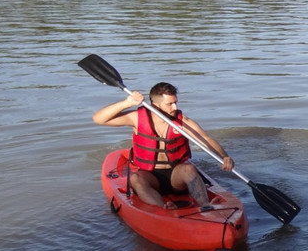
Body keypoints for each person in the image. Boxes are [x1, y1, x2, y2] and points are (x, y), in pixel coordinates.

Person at [92, 82, 234, 209]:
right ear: (155, 105)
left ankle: (206, 206)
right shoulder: (136, 118)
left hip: (176, 176)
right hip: (151, 177)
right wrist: (126, 103)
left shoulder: (182, 121)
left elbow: (205, 139)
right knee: (136, 179)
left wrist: (224, 157)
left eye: (176, 102)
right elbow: (99, 119)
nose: (175, 107)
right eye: (170, 104)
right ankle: (163, 209)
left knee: (188, 169)